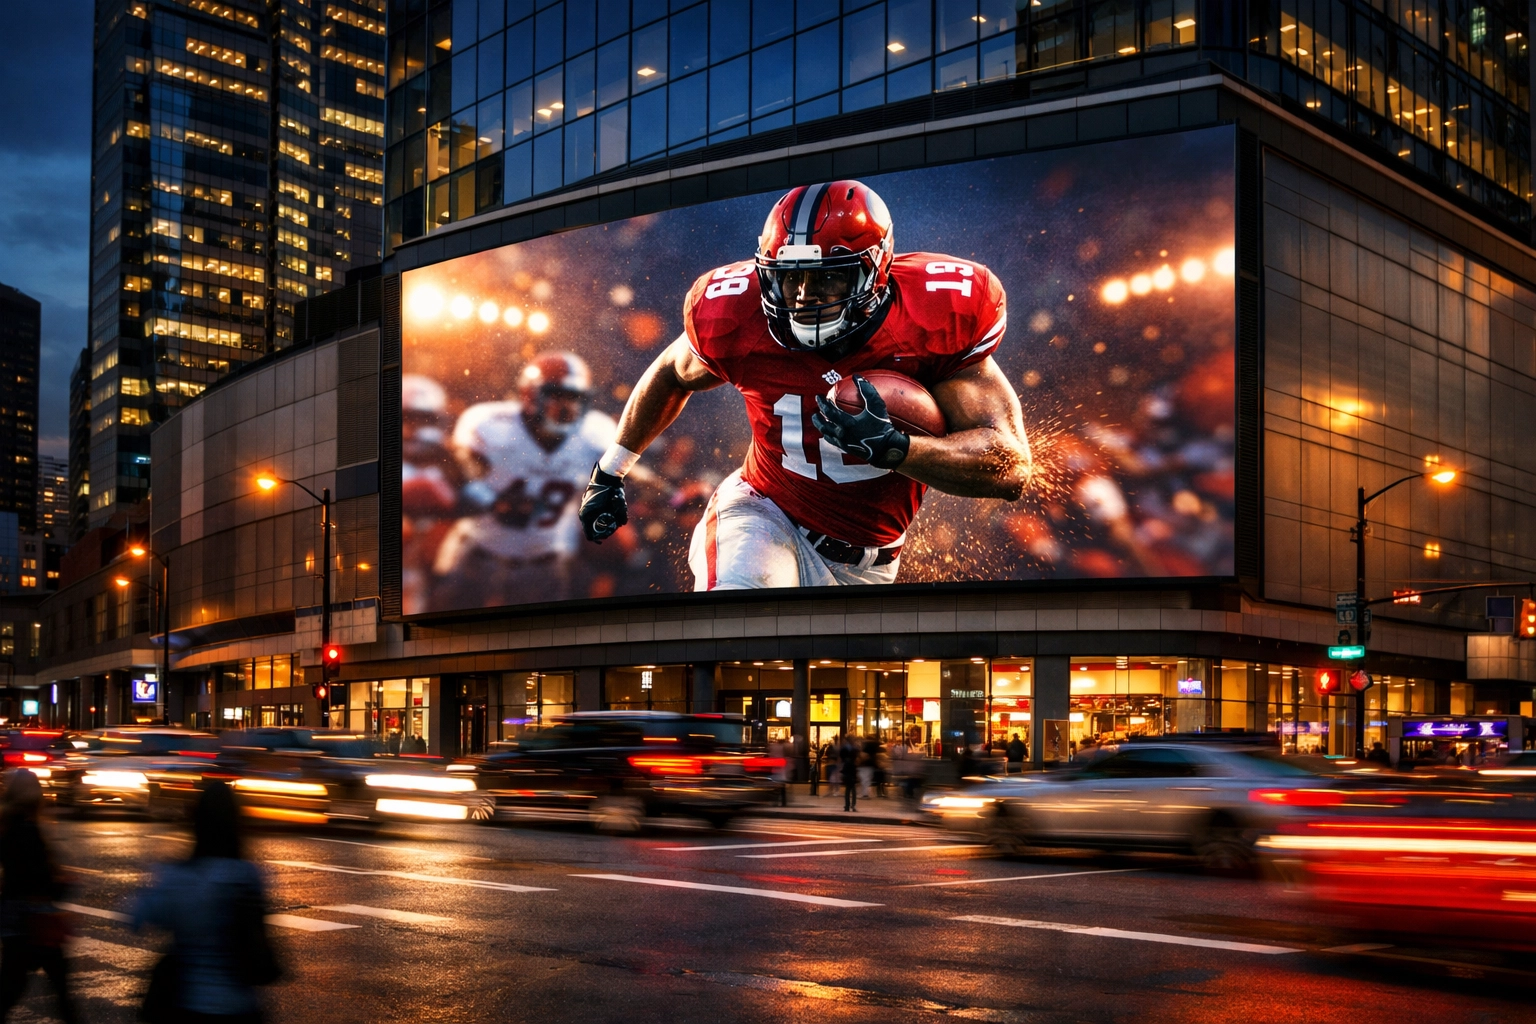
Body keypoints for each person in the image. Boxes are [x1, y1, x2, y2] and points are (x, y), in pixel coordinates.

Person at [579, 180, 1034, 590]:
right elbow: (671, 373)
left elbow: (1010, 468)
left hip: (871, 563)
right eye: (790, 276)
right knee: (742, 624)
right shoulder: (738, 311)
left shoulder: (935, 316)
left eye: (828, 277)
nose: (802, 296)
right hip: (762, 514)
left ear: (876, 269)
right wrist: (610, 472)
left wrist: (898, 449)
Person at [437, 352, 618, 607]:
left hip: (544, 563)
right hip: (477, 552)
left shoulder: (596, 434)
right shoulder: (489, 424)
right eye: (556, 395)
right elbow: (456, 481)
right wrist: (494, 502)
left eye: (575, 397)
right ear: (529, 395)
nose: (567, 407)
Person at [134, 781, 279, 1024]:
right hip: (242, 1006)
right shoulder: (248, 875)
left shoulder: (181, 877)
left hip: (191, 1003)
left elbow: (137, 917)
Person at [0, 770, 75, 1024]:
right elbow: (36, 877)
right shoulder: (29, 830)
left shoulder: (8, 825)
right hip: (36, 919)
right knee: (59, 989)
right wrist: (61, 883)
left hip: (14, 917)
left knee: (13, 985)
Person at [839, 735, 861, 812]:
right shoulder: (853, 749)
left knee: (848, 789)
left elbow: (841, 757)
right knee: (852, 789)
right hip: (851, 770)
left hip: (847, 770)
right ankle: (852, 805)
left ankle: (847, 806)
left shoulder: (845, 748)